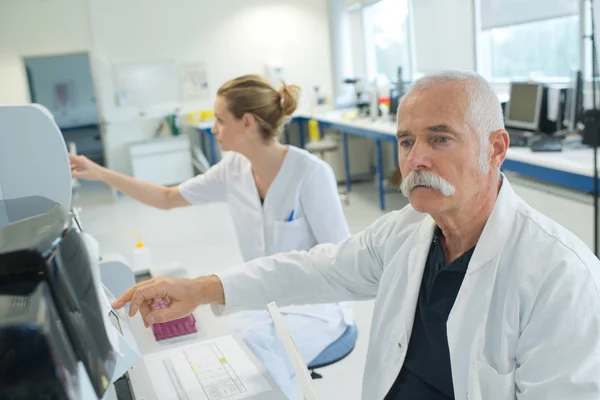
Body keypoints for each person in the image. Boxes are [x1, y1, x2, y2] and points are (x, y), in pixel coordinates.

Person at [112, 71, 600, 399]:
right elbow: (315, 267)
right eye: (406, 141)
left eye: (440, 138)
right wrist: (199, 289)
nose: (416, 159)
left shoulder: (561, 278)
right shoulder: (408, 231)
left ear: (496, 149)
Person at [70, 75, 353, 399]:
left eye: (220, 120)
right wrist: (101, 173)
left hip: (314, 306)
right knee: (220, 344)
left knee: (260, 358)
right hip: (263, 296)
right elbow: (167, 198)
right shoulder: (233, 168)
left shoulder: (311, 173)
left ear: (246, 122)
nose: (214, 128)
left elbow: (341, 261)